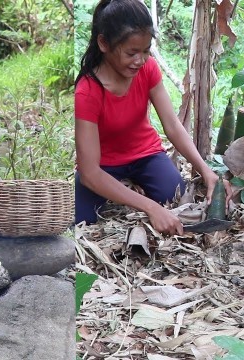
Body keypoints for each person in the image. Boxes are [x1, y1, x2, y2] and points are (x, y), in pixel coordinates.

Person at [75, 0, 228, 236]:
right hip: (104, 166)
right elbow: (89, 173)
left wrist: (206, 171)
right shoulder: (88, 91)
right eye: (131, 53)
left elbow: (173, 127)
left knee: (175, 194)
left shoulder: (148, 69)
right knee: (80, 220)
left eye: (146, 51)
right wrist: (151, 208)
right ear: (103, 43)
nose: (140, 60)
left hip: (145, 154)